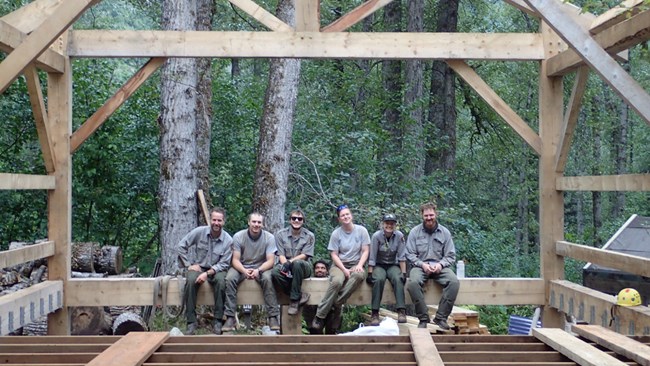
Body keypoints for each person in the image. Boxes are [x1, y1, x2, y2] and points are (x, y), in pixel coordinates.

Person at [311, 204, 369, 332]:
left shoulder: (361, 231)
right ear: (339, 219)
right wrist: (344, 269)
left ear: (351, 215)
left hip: (356, 263)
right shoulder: (336, 233)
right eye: (342, 215)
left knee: (359, 275)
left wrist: (359, 265)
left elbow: (365, 250)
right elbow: (334, 254)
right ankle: (320, 316)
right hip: (339, 265)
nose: (346, 217)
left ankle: (336, 303)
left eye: (347, 214)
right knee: (337, 281)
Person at [177, 207, 233, 335]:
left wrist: (207, 274)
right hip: (199, 266)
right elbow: (181, 246)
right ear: (210, 220)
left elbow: (224, 263)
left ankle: (218, 320)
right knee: (190, 280)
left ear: (224, 222)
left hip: (217, 269)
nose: (216, 223)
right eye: (214, 220)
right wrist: (188, 265)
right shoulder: (199, 232)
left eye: (219, 220)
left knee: (221, 282)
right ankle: (191, 321)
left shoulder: (228, 240)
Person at [222, 212, 280, 332]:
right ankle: (230, 316)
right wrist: (244, 270)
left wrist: (258, 270)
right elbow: (235, 260)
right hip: (241, 267)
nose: (256, 225)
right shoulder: (239, 236)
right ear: (249, 222)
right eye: (254, 222)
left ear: (263, 224)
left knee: (268, 279)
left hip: (261, 267)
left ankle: (273, 316)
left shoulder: (269, 238)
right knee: (229, 278)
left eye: (259, 222)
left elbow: (271, 261)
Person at [406, 202, 460, 330]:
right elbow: (409, 254)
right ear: (422, 216)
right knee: (412, 284)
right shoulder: (415, 232)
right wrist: (422, 264)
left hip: (440, 267)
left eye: (431, 215)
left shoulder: (445, 233)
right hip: (420, 267)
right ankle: (423, 318)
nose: (429, 218)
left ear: (436, 214)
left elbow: (451, 255)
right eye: (426, 215)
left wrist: (441, 265)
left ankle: (441, 317)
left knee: (454, 282)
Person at [271, 209, 314, 315]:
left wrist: (289, 263)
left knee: (297, 264)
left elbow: (305, 255)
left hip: (303, 266)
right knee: (275, 273)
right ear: (290, 220)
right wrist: (285, 264)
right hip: (285, 262)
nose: (296, 220)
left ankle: (294, 301)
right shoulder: (280, 234)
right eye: (294, 218)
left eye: (299, 219)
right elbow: (280, 253)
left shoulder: (309, 236)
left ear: (303, 221)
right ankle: (299, 294)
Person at [367, 213, 407, 325]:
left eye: (392, 224)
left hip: (393, 264)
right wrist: (370, 273)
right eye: (387, 223)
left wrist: (403, 273)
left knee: (398, 278)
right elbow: (372, 256)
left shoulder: (399, 236)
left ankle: (401, 311)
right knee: (378, 279)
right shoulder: (376, 236)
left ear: (395, 225)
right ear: (383, 224)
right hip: (379, 264)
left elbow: (402, 255)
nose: (389, 226)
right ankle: (375, 313)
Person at [302, 260, 342, 334]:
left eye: (322, 268)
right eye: (317, 268)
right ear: (314, 270)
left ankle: (333, 331)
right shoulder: (308, 282)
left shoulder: (333, 282)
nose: (319, 270)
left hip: (330, 311)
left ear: (327, 271)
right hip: (313, 312)